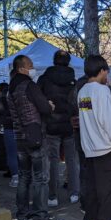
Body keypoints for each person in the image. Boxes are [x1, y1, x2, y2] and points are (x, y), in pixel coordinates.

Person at [7, 55, 61, 220]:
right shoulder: (29, 85)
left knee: (24, 176)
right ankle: (40, 214)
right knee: (40, 177)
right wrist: (50, 106)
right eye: (30, 65)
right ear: (21, 68)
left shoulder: (11, 87)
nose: (32, 67)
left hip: (19, 136)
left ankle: (22, 213)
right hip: (35, 135)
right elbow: (44, 107)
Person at [77, 55, 111, 220]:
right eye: (106, 71)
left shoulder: (82, 92)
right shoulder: (102, 91)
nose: (107, 74)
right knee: (108, 187)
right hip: (105, 147)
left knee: (92, 187)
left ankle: (90, 219)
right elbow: (108, 120)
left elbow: (88, 117)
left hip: (89, 147)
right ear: (101, 70)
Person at [37, 50, 80, 207]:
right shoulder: (73, 80)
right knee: (71, 160)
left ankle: (52, 196)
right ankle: (74, 193)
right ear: (68, 61)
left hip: (51, 124)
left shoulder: (44, 79)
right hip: (68, 124)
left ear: (54, 60)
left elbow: (39, 100)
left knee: (52, 160)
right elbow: (76, 103)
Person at [0, 81, 19, 187]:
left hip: (8, 127)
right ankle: (25, 175)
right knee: (23, 153)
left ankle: (15, 176)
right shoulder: (21, 95)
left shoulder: (2, 99)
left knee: (11, 153)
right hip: (21, 125)